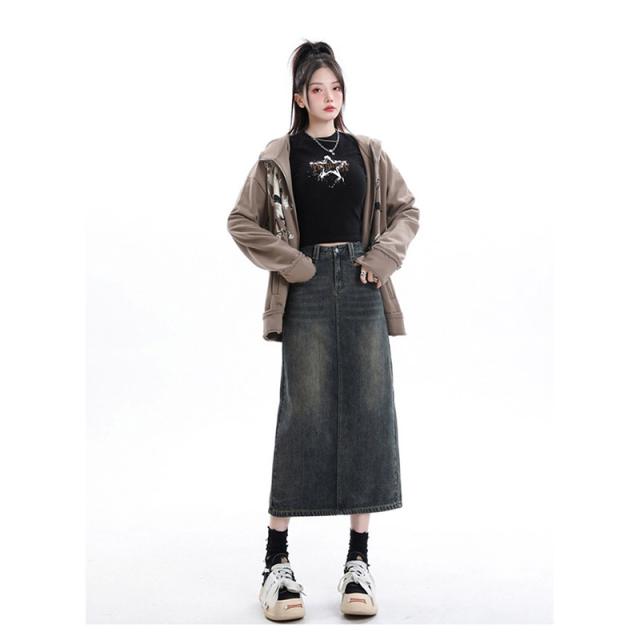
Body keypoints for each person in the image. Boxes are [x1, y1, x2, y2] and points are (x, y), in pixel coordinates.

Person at [227, 40, 420, 621]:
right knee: (303, 413)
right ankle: (276, 562)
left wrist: (381, 257)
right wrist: (294, 264)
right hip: (306, 291)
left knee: (368, 410)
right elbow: (241, 221)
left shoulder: (368, 151)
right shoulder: (278, 156)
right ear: (299, 97)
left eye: (335, 87)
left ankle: (358, 562)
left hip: (363, 286)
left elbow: (406, 210)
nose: (328, 97)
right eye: (317, 89)